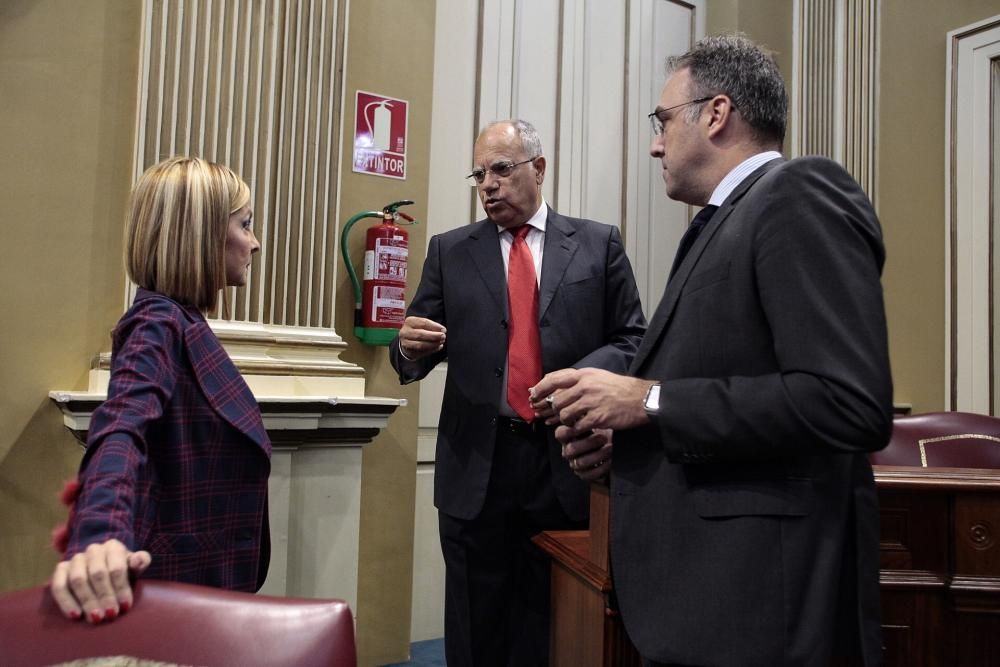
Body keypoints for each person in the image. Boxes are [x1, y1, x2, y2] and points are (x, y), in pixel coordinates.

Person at [531, 34, 893, 666]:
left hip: (758, 615)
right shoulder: (718, 225)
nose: (654, 142)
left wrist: (648, 401)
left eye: (663, 121)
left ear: (717, 113)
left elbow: (846, 402)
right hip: (704, 605)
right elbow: (722, 396)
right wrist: (624, 445)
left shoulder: (799, 193)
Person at [390, 119, 646, 666]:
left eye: (501, 169)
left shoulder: (597, 244)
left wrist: (583, 376)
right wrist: (409, 347)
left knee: (557, 627)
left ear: (539, 168)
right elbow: (414, 348)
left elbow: (632, 340)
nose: (488, 184)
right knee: (475, 629)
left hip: (566, 461)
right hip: (477, 467)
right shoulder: (450, 251)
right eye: (479, 174)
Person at [49, 156, 270, 624]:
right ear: (202, 234)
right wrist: (99, 536)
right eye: (245, 224)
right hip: (171, 585)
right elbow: (120, 430)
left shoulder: (184, 321)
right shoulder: (155, 322)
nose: (255, 243)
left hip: (204, 580)